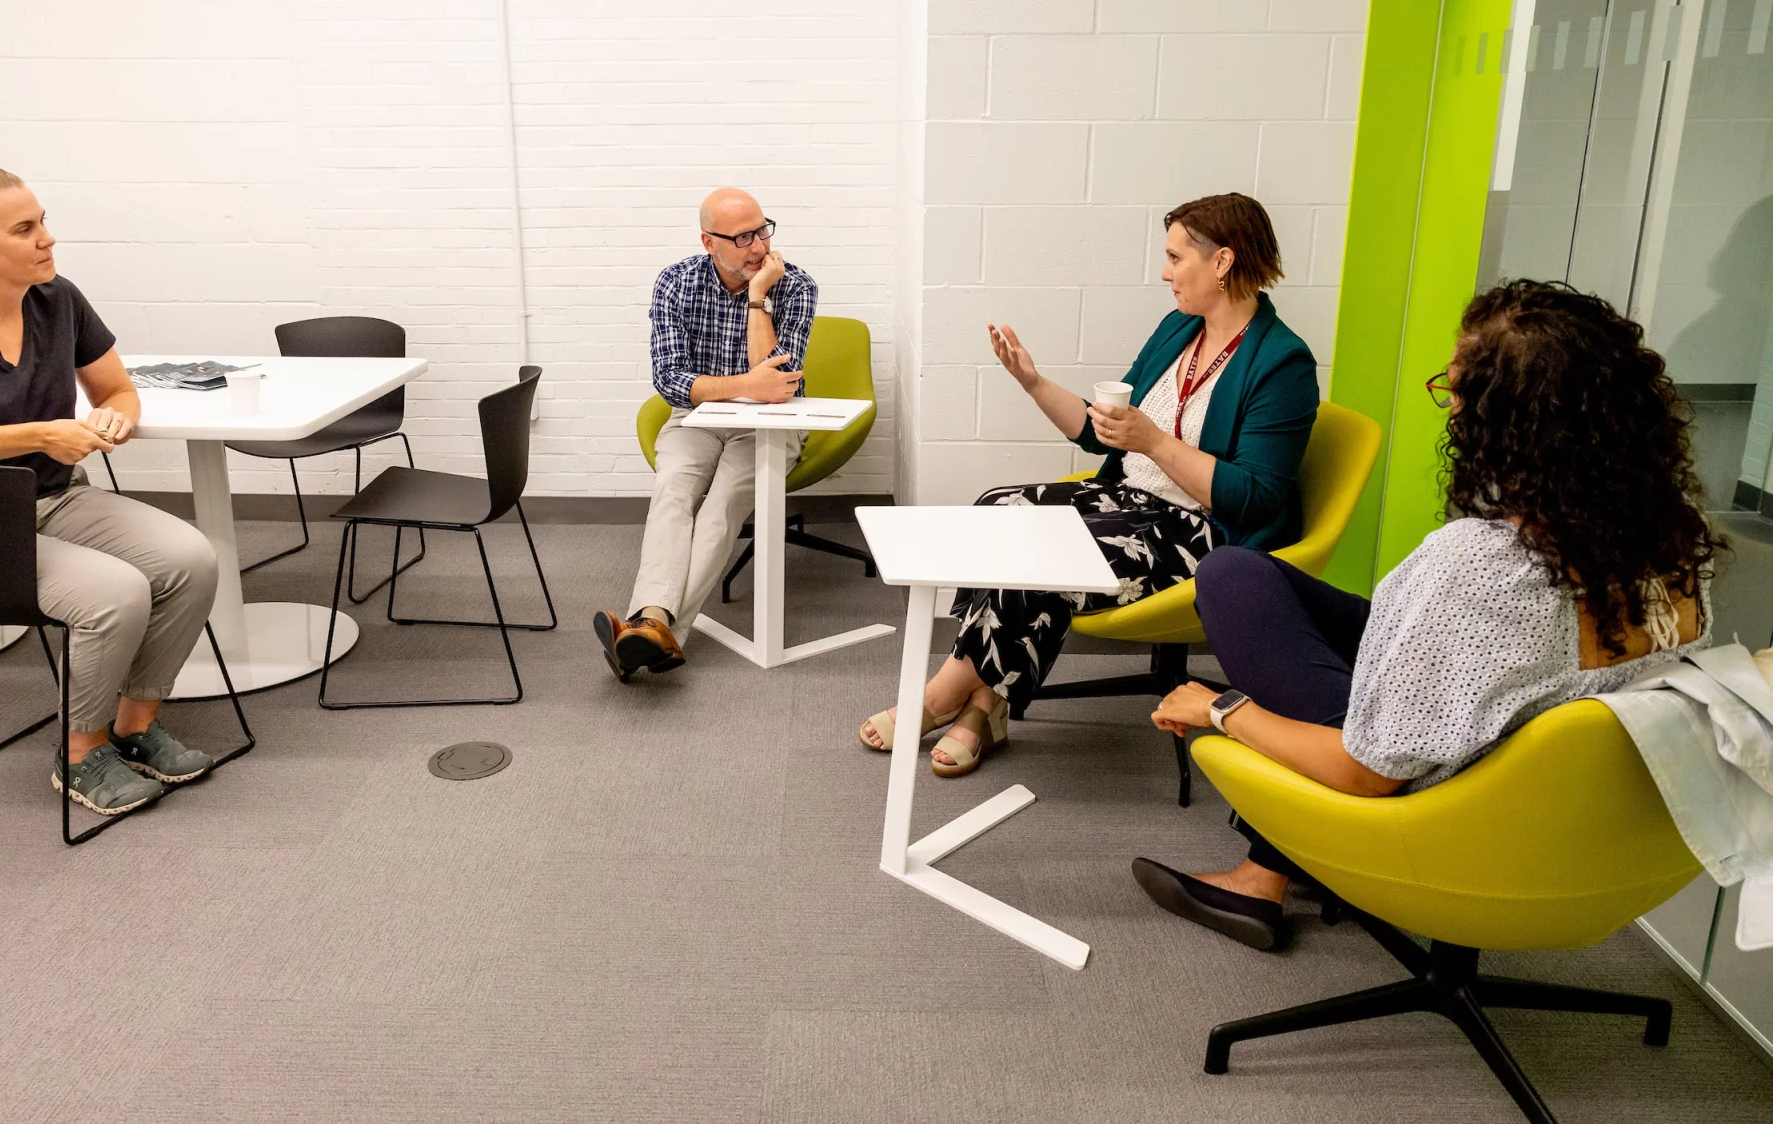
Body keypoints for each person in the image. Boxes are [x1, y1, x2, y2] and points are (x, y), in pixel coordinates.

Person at [1133, 279, 1719, 950]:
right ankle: (1270, 868)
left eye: (1458, 389)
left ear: (1511, 422)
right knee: (1240, 575)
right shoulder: (1674, 539)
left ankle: (1260, 877)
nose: (1450, 409)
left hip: (1438, 806)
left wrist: (1217, 709)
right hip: (1548, 794)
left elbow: (1365, 773)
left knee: (1228, 581)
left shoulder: (1477, 564)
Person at [860, 194, 1319, 776]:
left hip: (1204, 533)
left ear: (1223, 262)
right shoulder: (1179, 330)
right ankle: (985, 704)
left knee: (1046, 556)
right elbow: (1101, 435)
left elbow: (1254, 497)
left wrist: (1153, 441)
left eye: (1177, 258)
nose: (1165, 272)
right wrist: (1032, 382)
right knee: (998, 510)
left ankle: (949, 696)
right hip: (1129, 500)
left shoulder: (1282, 363)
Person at [0, 162, 223, 818]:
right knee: (115, 593)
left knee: (191, 559)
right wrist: (36, 432)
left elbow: (117, 388)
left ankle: (133, 727)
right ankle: (81, 755)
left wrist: (118, 415)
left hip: (54, 497)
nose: (47, 239)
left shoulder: (57, 299)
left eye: (43, 220)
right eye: (24, 228)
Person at [593, 187, 817, 680]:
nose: (759, 247)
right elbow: (670, 380)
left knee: (719, 509)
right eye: (742, 238)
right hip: (698, 420)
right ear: (708, 242)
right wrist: (744, 386)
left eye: (762, 230)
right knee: (672, 491)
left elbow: (778, 382)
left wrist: (759, 298)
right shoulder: (676, 282)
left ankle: (650, 625)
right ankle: (654, 630)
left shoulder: (794, 285)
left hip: (770, 427)